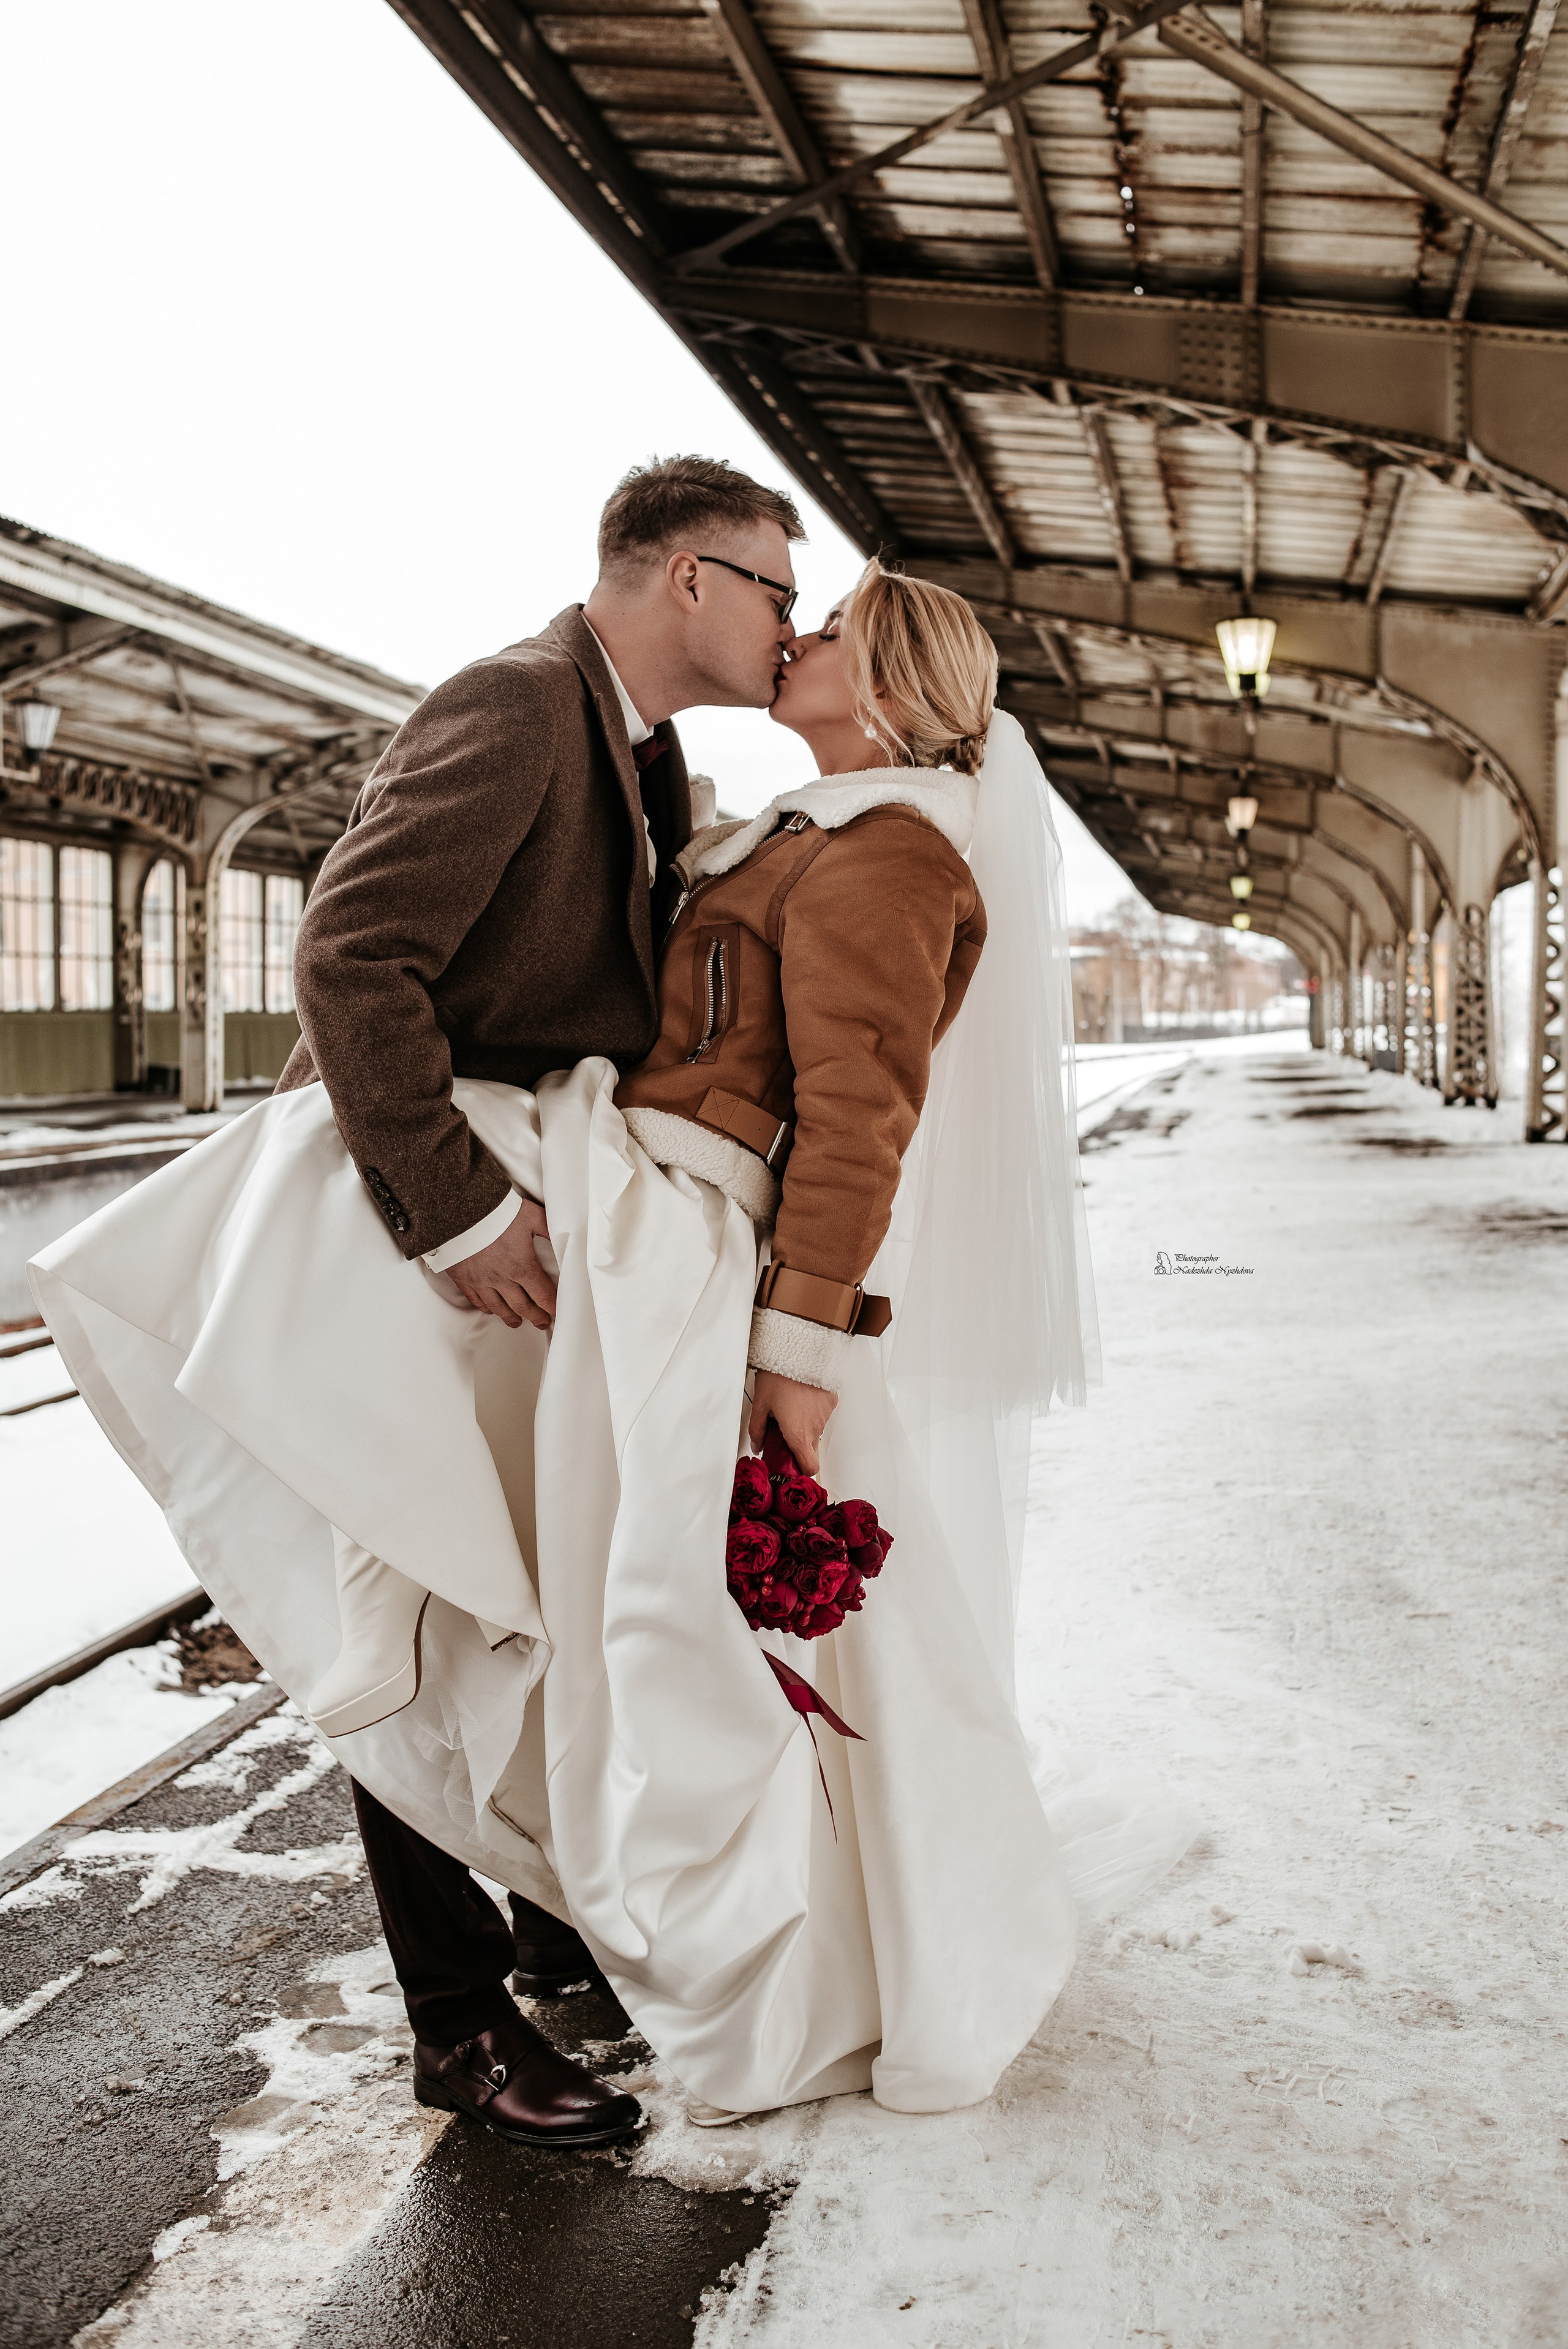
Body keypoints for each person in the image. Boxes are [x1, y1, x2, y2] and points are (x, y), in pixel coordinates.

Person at [33, 519, 1193, 2138]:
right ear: (690, 579)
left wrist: (799, 1359)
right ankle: (523, 1950)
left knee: (542, 1595)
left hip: (663, 1244)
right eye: (791, 596)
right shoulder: (762, 807)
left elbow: (859, 1122)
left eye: (836, 619)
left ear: (905, 689)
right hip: (584, 1207)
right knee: (463, 1561)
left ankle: (542, 1954)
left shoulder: (891, 852)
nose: (803, 629)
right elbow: (390, 956)